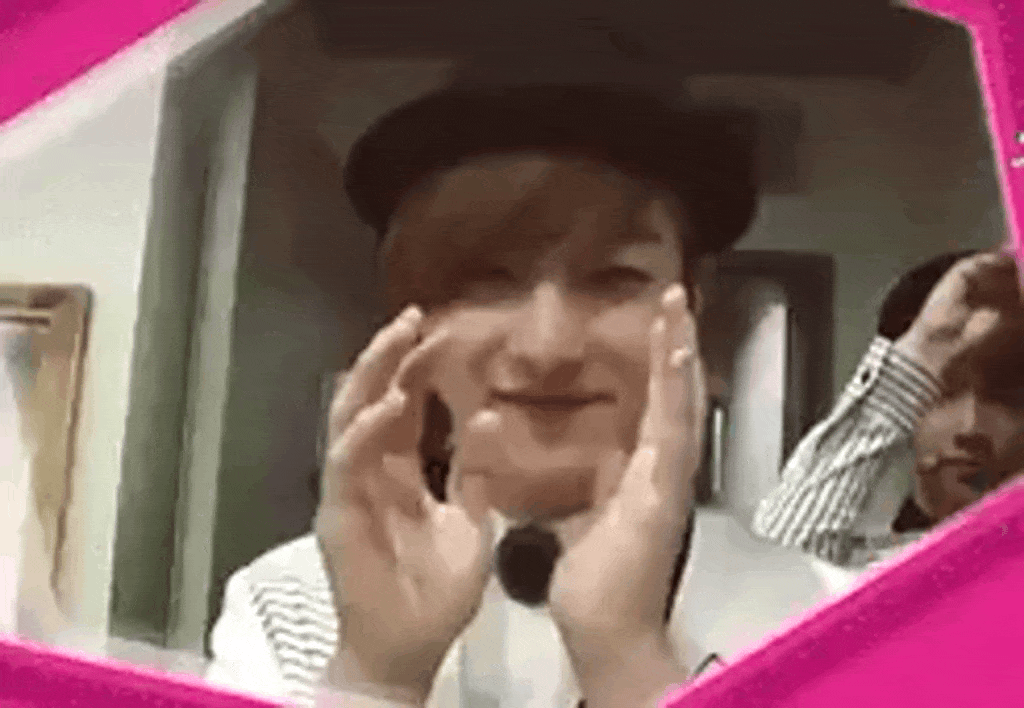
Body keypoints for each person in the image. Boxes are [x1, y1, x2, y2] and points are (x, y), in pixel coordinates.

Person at [205, 83, 759, 708]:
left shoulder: (820, 615)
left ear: (693, 306)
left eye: (615, 279)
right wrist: (376, 678)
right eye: (485, 283)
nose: (547, 348)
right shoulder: (286, 605)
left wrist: (629, 665)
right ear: (413, 320)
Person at [752, 249, 1024, 567]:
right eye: (940, 389)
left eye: (1006, 395)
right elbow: (781, 568)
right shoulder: (875, 565)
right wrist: (922, 349)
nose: (970, 426)